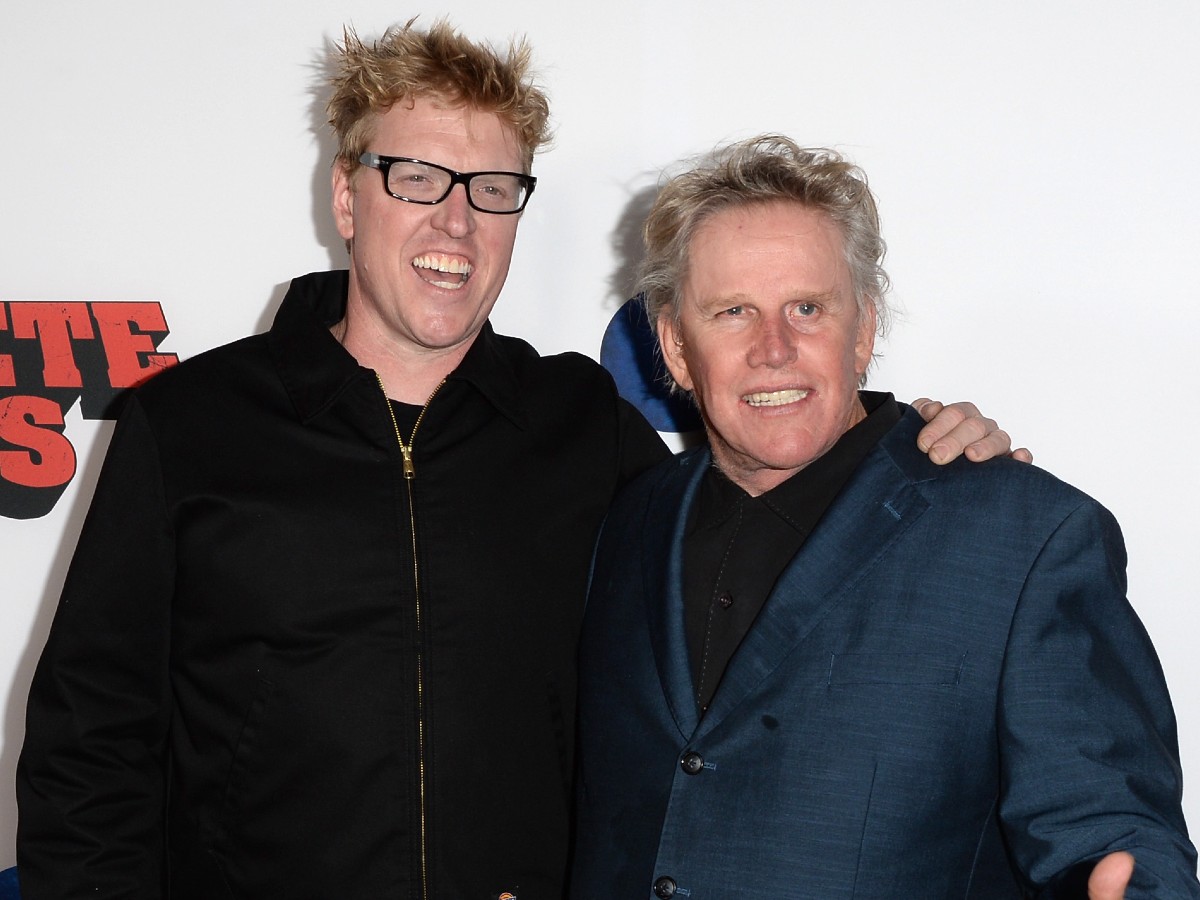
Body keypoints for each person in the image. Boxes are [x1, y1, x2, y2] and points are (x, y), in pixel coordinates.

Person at [16, 24, 1018, 900]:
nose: (457, 220)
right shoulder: (190, 424)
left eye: (492, 189)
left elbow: (760, 486)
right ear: (348, 196)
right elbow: (89, 748)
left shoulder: (577, 420)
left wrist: (902, 440)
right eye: (417, 177)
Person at [571, 135, 1200, 899]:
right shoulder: (631, 519)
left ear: (863, 329)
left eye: (808, 307)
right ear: (674, 345)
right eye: (733, 311)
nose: (775, 349)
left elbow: (1116, 837)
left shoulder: (1024, 538)